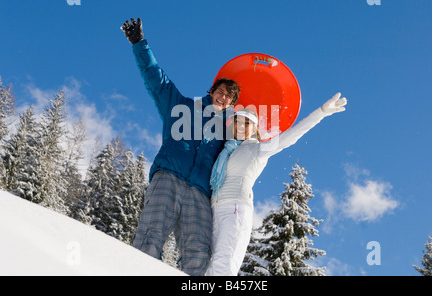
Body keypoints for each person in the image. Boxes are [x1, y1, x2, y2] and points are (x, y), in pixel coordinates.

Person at [121, 18, 241, 275]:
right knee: (149, 238)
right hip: (169, 178)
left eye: (229, 97)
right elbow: (157, 81)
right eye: (221, 91)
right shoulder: (182, 107)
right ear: (212, 91)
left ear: (231, 104)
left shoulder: (227, 133)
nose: (223, 97)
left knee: (197, 255)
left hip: (199, 193)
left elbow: (247, 152)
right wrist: (139, 44)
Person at [205, 93, 347, 276]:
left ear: (255, 128)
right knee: (209, 265)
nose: (241, 126)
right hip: (215, 208)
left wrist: (320, 113)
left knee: (225, 263)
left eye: (247, 123)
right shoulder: (227, 150)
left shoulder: (258, 149)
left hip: (235, 209)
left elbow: (290, 137)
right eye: (238, 122)